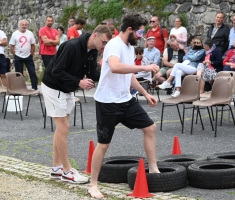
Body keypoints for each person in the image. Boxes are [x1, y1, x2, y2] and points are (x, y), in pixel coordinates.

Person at [88, 13, 160, 199]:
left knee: (150, 127)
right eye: (140, 32)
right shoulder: (114, 45)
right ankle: (93, 185)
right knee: (104, 144)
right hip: (107, 102)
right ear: (130, 30)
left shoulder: (129, 46)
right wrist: (144, 68)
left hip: (125, 100)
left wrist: (145, 93)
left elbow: (128, 75)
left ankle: (153, 170)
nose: (141, 36)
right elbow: (115, 67)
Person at [42, 25, 112, 184]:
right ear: (95, 35)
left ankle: (56, 168)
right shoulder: (72, 46)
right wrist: (79, 82)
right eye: (104, 42)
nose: (104, 46)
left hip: (67, 89)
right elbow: (57, 71)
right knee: (64, 127)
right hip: (53, 87)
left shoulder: (92, 50)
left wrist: (112, 75)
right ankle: (67, 171)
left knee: (61, 129)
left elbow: (92, 73)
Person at [9, 19, 38, 90]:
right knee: (19, 74)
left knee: (32, 72)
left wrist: (31, 54)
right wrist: (15, 54)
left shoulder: (30, 33)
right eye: (23, 25)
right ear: (20, 25)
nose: (24, 26)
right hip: (18, 56)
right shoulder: (15, 34)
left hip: (28, 56)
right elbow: (12, 46)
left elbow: (32, 45)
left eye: (25, 25)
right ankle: (20, 88)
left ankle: (34, 87)